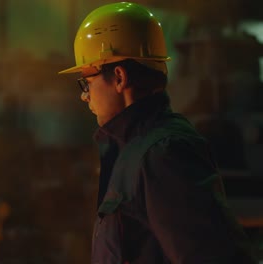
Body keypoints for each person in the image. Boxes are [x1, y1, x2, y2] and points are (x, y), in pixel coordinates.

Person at [59, 2, 256, 263]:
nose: (85, 96)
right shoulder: (133, 151)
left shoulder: (162, 154)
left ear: (119, 77)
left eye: (87, 80)